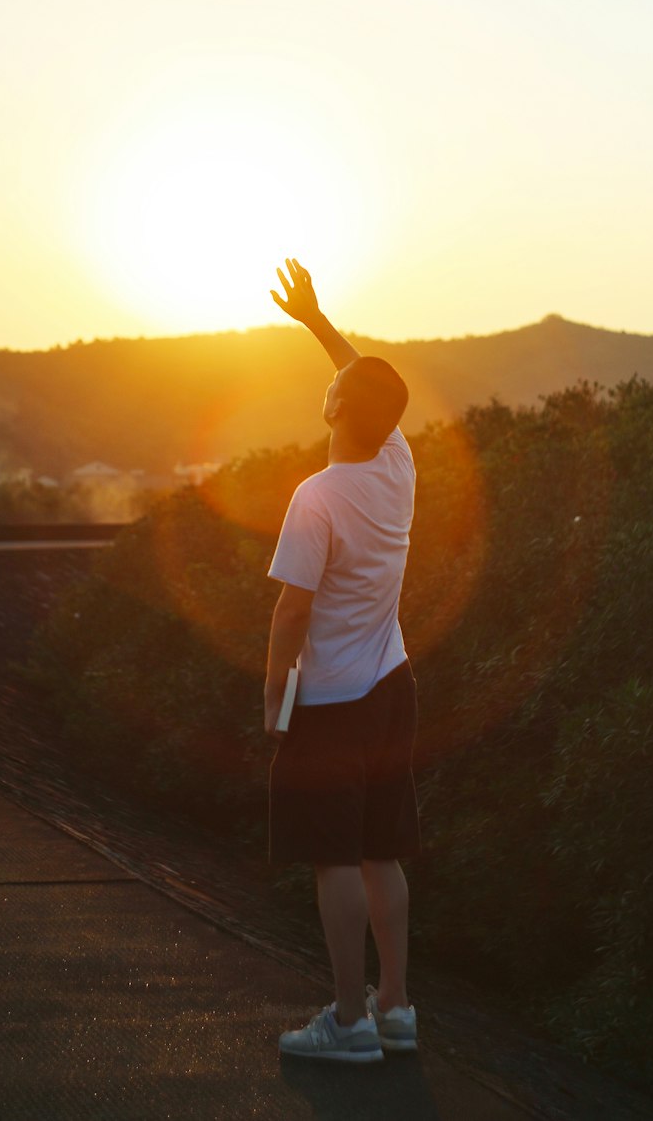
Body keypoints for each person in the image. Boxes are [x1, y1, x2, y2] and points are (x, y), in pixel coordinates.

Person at [264, 258, 421, 1064]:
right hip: (392, 684)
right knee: (380, 851)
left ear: (334, 408)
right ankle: (395, 1008)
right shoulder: (397, 466)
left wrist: (272, 701)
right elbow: (363, 385)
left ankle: (350, 1024)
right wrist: (318, 322)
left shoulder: (316, 497)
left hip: (328, 701)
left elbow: (291, 609)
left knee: (333, 857)